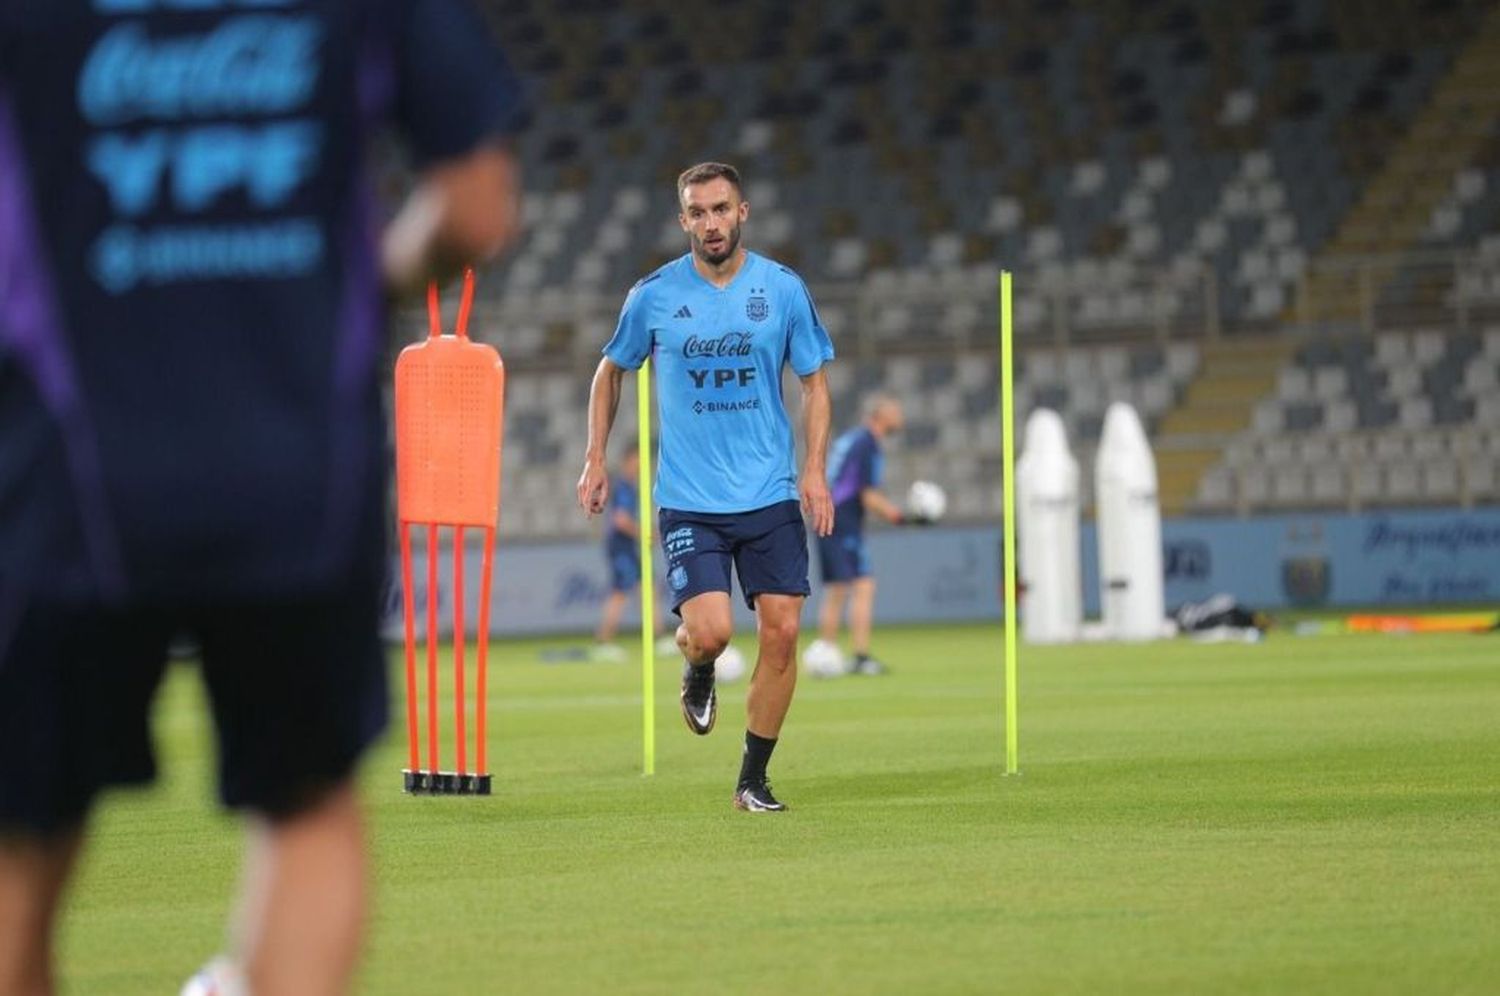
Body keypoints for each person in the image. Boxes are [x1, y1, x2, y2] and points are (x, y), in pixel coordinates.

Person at [0, 3, 523, 994]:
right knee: (307, 803)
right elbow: (478, 206)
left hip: (71, 474)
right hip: (295, 469)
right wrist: (361, 277)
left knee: (21, 839)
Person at [577, 161, 835, 813]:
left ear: (742, 212)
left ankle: (753, 780)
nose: (711, 223)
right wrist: (595, 459)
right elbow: (610, 371)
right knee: (714, 632)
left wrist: (813, 469)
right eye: (699, 212)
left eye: (722, 209)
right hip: (691, 497)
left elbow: (814, 383)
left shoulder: (781, 289)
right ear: (683, 220)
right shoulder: (654, 295)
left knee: (780, 635)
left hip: (770, 492)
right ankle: (697, 664)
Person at [813, 396, 908, 675]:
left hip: (829, 516)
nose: (900, 417)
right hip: (843, 520)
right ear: (880, 415)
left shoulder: (852, 439)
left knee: (837, 589)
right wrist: (898, 516)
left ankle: (827, 652)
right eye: (895, 411)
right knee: (861, 586)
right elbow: (866, 494)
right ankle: (859, 655)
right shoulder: (868, 444)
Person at [593, 441, 644, 659]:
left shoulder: (630, 486)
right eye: (637, 461)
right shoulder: (624, 487)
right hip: (620, 544)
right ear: (627, 461)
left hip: (625, 544)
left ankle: (659, 636)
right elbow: (621, 520)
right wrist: (642, 533)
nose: (641, 465)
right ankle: (604, 640)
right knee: (620, 591)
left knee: (646, 586)